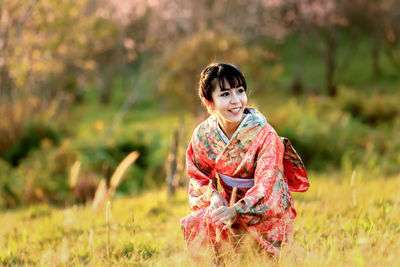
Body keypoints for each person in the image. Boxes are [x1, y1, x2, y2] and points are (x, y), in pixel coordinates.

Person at [180, 62, 309, 260]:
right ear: (209, 103)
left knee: (264, 258)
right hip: (226, 202)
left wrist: (237, 210)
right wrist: (214, 196)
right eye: (225, 94)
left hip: (263, 208)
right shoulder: (204, 134)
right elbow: (197, 173)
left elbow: (268, 185)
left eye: (240, 91)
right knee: (201, 221)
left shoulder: (265, 134)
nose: (236, 101)